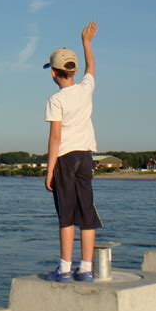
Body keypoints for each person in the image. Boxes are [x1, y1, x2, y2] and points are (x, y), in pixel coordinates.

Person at [43, 22, 103, 282]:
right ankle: (86, 269)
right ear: (73, 70)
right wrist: (86, 42)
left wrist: (49, 170)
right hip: (86, 157)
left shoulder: (55, 100)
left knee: (66, 215)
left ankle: (65, 268)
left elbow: (55, 137)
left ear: (53, 73)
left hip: (66, 158)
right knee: (87, 213)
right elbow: (91, 68)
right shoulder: (85, 90)